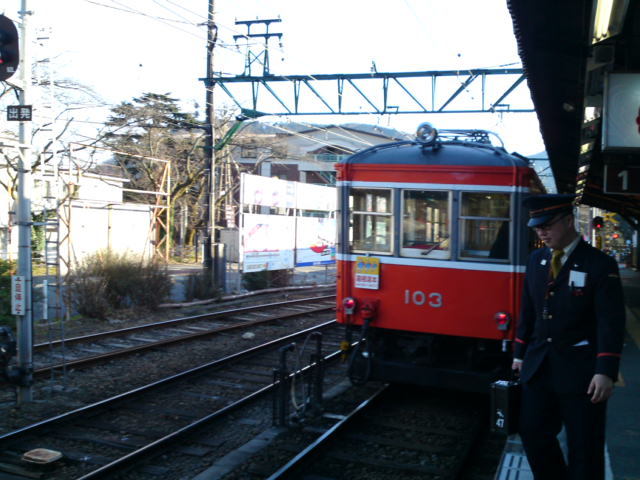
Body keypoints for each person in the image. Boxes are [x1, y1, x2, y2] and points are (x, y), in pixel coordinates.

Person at [512, 193, 625, 480]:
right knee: (532, 432)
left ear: (568, 221)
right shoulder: (536, 259)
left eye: (547, 225)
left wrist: (605, 371)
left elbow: (610, 322)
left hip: (582, 372)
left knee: (584, 446)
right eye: (537, 227)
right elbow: (529, 311)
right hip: (539, 366)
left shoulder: (599, 264)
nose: (541, 232)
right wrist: (519, 354)